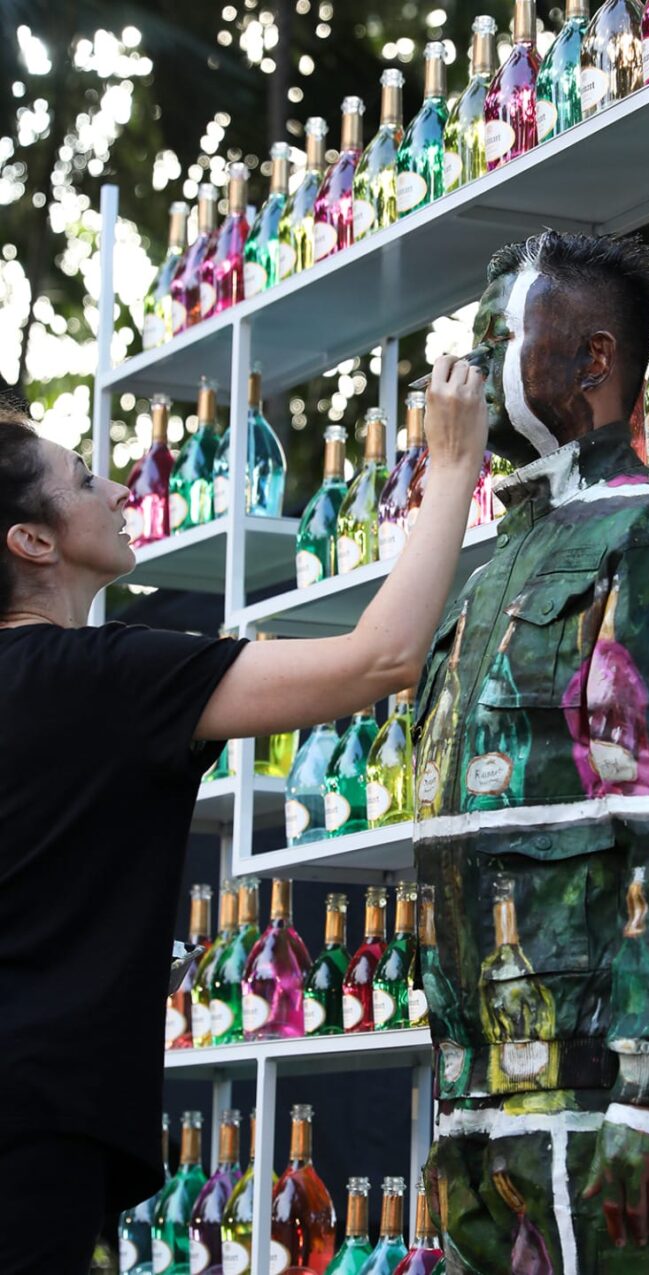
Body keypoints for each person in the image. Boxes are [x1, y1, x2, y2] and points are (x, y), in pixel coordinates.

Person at [0, 360, 487, 1275]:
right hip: (32, 1133)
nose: (113, 487)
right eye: (82, 477)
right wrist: (454, 466)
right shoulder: (108, 679)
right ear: (33, 540)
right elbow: (380, 659)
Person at [414, 231, 649, 1273]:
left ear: (593, 361)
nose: (463, 374)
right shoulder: (486, 572)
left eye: (493, 340)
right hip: (475, 1084)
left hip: (599, 1096)